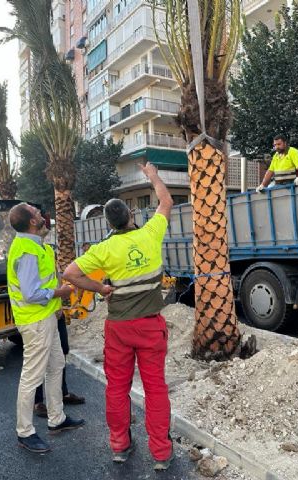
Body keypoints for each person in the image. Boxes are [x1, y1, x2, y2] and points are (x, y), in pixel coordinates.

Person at [63, 161, 175, 471]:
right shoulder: (150, 234)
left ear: (109, 223)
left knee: (117, 387)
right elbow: (166, 202)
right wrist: (152, 175)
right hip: (150, 327)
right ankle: (162, 454)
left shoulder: (104, 249)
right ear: (130, 216)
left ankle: (120, 446)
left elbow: (70, 273)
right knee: (155, 389)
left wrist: (100, 287)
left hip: (119, 329)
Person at [7, 203, 85, 453]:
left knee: (56, 366)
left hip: (46, 316)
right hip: (35, 321)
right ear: (32, 221)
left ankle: (57, 419)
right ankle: (25, 432)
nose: (41, 215)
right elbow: (30, 293)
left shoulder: (34, 245)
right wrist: (58, 293)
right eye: (37, 213)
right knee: (32, 376)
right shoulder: (28, 250)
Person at [33, 312, 85, 418]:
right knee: (39, 357)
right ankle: (37, 402)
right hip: (39, 316)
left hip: (56, 313)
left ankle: (62, 393)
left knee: (63, 349)